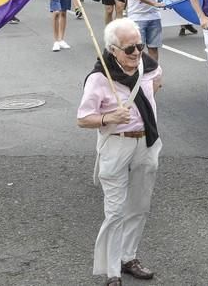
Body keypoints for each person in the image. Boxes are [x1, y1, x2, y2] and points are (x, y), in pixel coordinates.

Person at [77, 18, 163, 286]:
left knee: (139, 206)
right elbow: (82, 118)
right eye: (129, 49)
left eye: (139, 45)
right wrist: (109, 117)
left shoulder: (146, 66)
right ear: (113, 50)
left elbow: (157, 81)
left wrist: (141, 113)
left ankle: (129, 257)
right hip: (116, 144)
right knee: (115, 212)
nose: (137, 52)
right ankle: (112, 271)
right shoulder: (98, 78)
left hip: (146, 142)